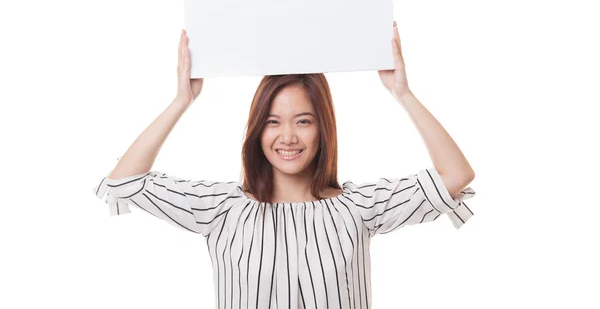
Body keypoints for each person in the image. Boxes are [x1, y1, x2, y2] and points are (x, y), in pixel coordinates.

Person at [93, 23, 476, 309]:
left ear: (323, 129)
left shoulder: (358, 207)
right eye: (273, 121)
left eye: (304, 121)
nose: (288, 137)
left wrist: (402, 93)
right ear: (257, 130)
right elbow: (124, 182)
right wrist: (181, 101)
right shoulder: (224, 209)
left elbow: (455, 176)